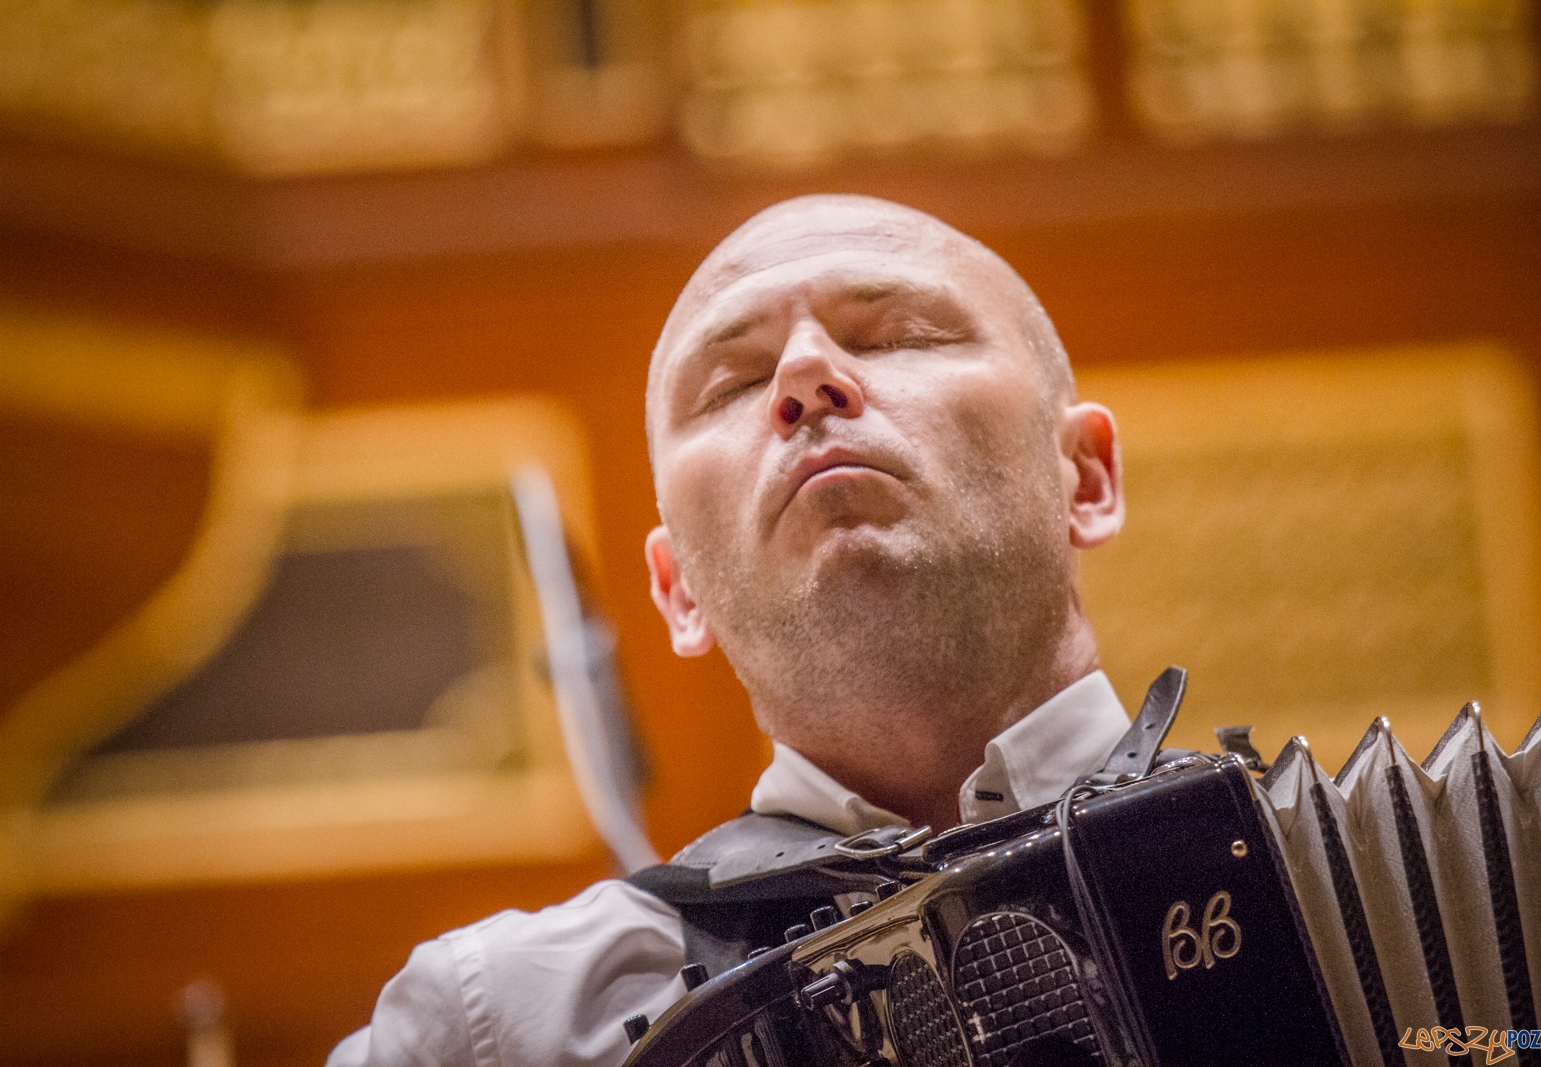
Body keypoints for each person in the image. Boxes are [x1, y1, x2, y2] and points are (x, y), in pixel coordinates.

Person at [327, 194, 1130, 1067]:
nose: (805, 374)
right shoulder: (495, 1034)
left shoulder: (1306, 863)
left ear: (1084, 477)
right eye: (734, 384)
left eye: (898, 335)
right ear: (680, 592)